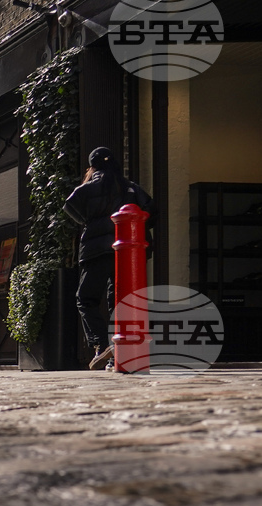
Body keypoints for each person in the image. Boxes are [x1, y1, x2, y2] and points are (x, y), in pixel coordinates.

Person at [64, 147, 157, 370]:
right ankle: (118, 352)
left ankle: (100, 344)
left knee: (85, 299)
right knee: (120, 300)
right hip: (126, 252)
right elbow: (151, 212)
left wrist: (88, 221)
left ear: (92, 166)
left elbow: (69, 206)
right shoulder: (131, 188)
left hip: (95, 250)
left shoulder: (87, 187)